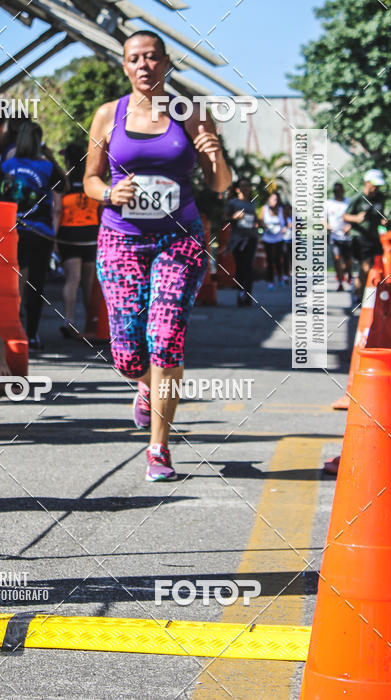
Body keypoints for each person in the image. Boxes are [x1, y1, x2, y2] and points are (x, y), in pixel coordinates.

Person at [83, 30, 231, 482]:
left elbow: (220, 185)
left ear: (166, 63)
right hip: (121, 240)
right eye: (135, 59)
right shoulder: (108, 115)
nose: (144, 65)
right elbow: (89, 180)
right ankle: (144, 387)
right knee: (128, 355)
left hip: (178, 241)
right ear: (125, 67)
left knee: (166, 340)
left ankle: (159, 449)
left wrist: (215, 154)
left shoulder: (191, 115)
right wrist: (110, 192)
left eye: (152, 57)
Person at [0, 120, 64, 350]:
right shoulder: (46, 167)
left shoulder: (7, 165)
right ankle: (32, 334)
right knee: (37, 284)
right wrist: (50, 156)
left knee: (13, 284)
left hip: (13, 231)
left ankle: (12, 329)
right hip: (41, 233)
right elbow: (63, 186)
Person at [56, 142, 100, 337]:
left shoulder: (63, 181)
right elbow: (102, 207)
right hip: (91, 234)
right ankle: (93, 323)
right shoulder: (91, 181)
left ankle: (69, 318)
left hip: (69, 235)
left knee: (72, 279)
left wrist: (54, 239)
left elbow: (57, 210)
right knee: (89, 282)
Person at [344, 169, 387, 305]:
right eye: (375, 185)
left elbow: (380, 215)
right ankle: (362, 295)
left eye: (379, 186)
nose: (377, 188)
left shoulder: (380, 197)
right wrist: (356, 218)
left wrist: (384, 221)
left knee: (376, 266)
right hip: (360, 237)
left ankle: (361, 288)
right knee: (366, 266)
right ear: (367, 183)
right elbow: (345, 216)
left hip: (375, 236)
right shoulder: (358, 198)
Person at [225, 178, 259, 306]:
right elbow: (224, 218)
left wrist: (258, 223)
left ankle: (248, 295)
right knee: (240, 267)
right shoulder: (232, 203)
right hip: (237, 239)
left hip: (251, 237)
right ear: (237, 189)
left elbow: (254, 219)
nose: (245, 188)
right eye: (243, 186)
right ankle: (240, 293)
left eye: (247, 186)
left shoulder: (253, 204)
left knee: (249, 266)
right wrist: (234, 217)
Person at [326, 182, 353, 291]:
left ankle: (348, 273)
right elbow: (322, 220)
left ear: (343, 191)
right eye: (335, 191)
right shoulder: (328, 203)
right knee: (337, 259)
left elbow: (354, 216)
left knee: (348, 260)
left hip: (347, 237)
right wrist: (328, 227)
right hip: (334, 237)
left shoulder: (349, 202)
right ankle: (340, 282)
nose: (337, 193)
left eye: (339, 191)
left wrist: (349, 227)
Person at [260, 191, 286, 289]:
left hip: (278, 238)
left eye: (276, 199)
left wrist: (284, 228)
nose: (274, 201)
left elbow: (284, 222)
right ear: (269, 200)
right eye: (273, 199)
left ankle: (280, 276)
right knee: (269, 260)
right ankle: (270, 281)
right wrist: (264, 225)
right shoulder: (264, 209)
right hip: (267, 238)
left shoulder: (280, 210)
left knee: (278, 258)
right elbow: (260, 220)